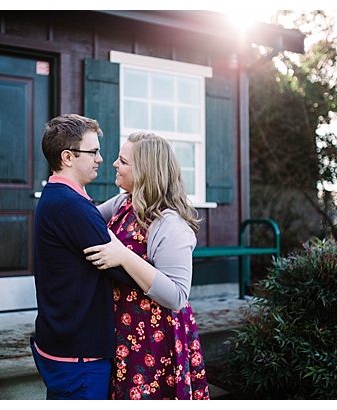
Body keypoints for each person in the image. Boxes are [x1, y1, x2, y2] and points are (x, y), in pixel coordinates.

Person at [83, 131, 210, 400]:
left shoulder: (169, 223)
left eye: (123, 161)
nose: (114, 164)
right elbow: (84, 220)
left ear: (145, 171)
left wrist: (124, 257)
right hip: (122, 334)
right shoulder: (123, 203)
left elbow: (177, 296)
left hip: (154, 341)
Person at [32, 114, 139, 400]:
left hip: (61, 343)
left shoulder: (59, 197)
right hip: (78, 356)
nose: (101, 159)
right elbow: (124, 272)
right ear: (67, 157)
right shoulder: (71, 206)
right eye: (93, 152)